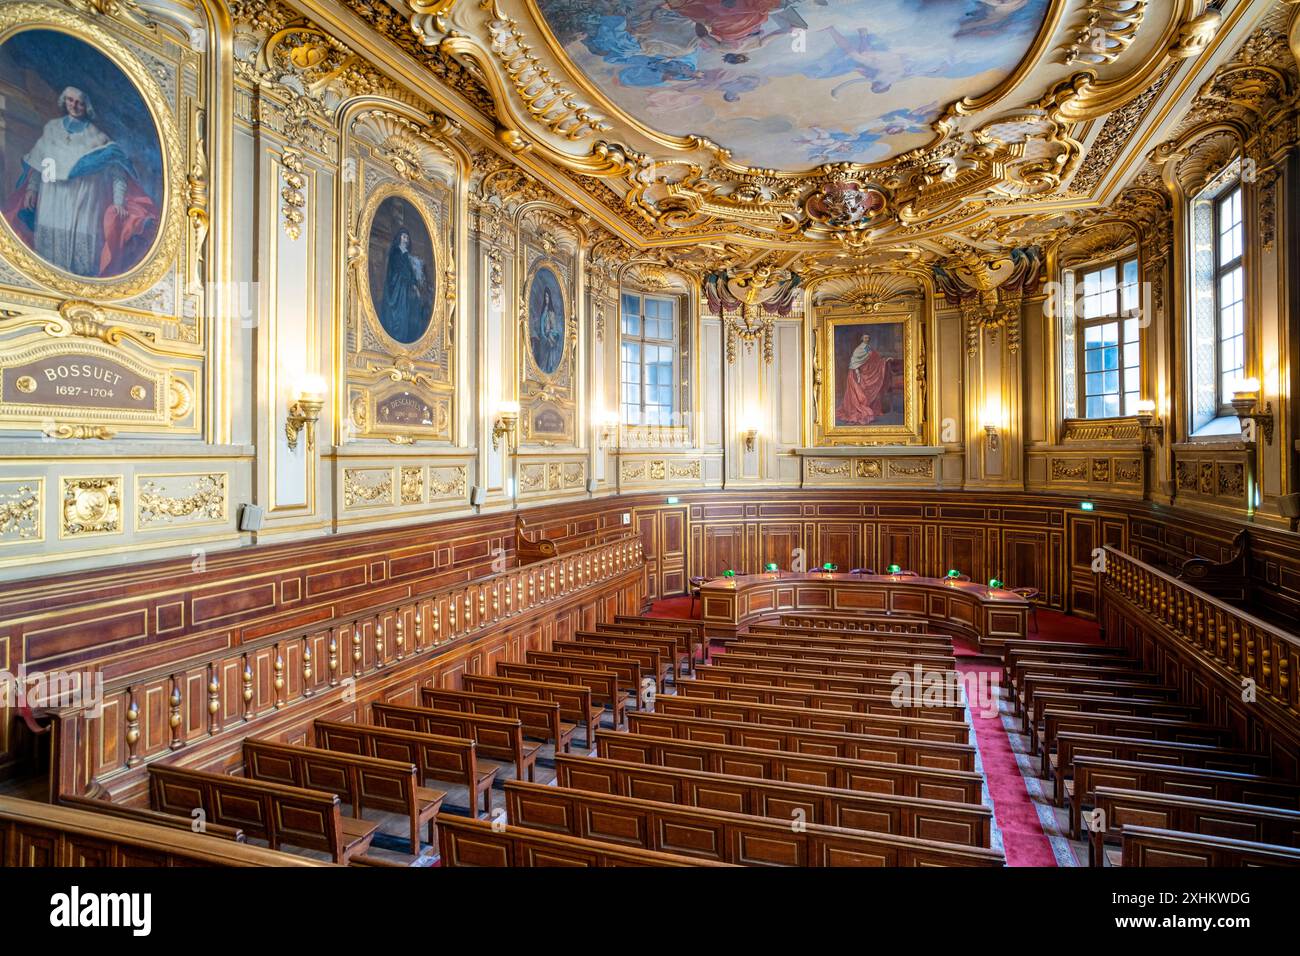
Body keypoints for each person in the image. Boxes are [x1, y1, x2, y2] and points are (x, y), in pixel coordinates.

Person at [3, 86, 157, 277]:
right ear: (64, 101)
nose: (74, 106)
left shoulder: (98, 137)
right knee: (50, 252)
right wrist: (32, 189)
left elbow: (119, 171)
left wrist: (118, 201)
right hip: (52, 198)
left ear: (86, 107)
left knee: (81, 255)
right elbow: (40, 162)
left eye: (79, 102)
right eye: (70, 100)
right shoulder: (52, 129)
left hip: (85, 202)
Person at [378, 228, 429, 343]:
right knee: (399, 312)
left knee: (407, 313)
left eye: (407, 237)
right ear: (399, 238)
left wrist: (414, 284)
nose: (406, 239)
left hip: (406, 288)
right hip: (397, 287)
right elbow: (399, 270)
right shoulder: (396, 252)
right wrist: (410, 282)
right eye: (404, 236)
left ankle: (404, 336)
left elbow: (410, 271)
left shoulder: (406, 254)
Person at [836, 332, 888, 425]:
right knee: (856, 393)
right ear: (862, 339)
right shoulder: (858, 349)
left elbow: (874, 358)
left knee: (863, 391)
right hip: (855, 372)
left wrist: (883, 361)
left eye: (868, 338)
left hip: (863, 371)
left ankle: (863, 406)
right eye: (865, 338)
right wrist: (857, 371)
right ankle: (855, 409)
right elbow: (854, 360)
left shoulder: (868, 348)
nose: (866, 339)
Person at [533, 286, 564, 373]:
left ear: (550, 298)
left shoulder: (551, 312)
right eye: (545, 297)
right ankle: (543, 369)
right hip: (543, 336)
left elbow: (554, 327)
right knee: (546, 341)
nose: (546, 299)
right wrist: (543, 334)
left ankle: (549, 367)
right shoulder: (544, 311)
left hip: (549, 334)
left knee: (550, 339)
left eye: (547, 297)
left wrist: (550, 332)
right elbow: (541, 324)